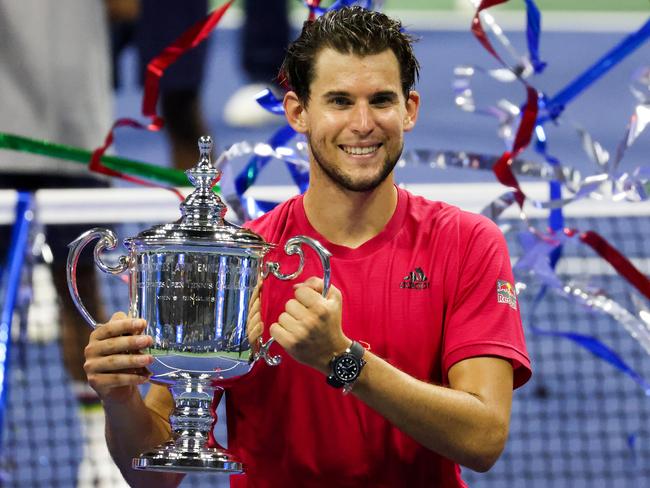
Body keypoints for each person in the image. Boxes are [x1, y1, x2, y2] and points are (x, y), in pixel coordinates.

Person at [83, 7, 532, 487]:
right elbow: (155, 478)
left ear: (410, 109)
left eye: (381, 100)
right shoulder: (236, 261)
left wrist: (343, 360)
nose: (363, 124)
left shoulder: (467, 243)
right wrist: (120, 400)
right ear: (298, 111)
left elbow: (484, 439)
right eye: (339, 101)